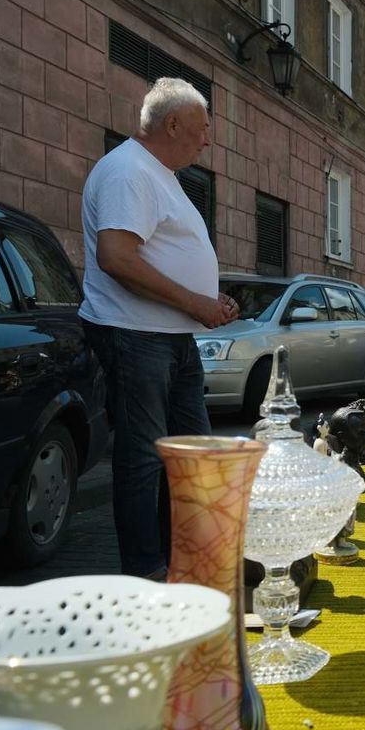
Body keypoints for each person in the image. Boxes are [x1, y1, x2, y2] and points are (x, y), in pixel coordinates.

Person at [79, 77, 237, 580]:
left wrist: (206, 300)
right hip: (136, 337)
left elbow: (160, 253)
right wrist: (194, 300)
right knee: (145, 460)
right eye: (203, 127)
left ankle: (190, 562)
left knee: (194, 456)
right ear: (173, 124)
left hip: (170, 337)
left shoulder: (157, 173)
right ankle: (147, 573)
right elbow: (116, 257)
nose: (207, 138)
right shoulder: (129, 171)